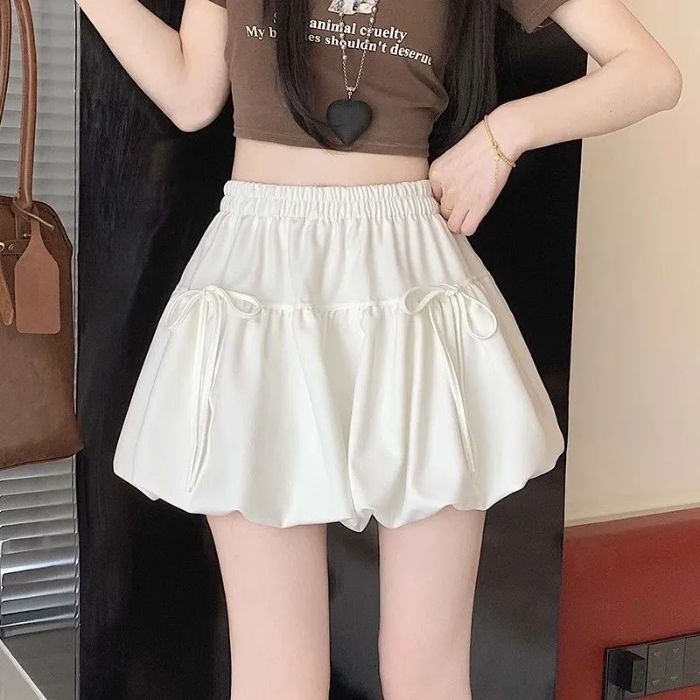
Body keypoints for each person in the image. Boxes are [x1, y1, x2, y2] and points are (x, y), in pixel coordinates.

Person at [77, 0, 682, 698]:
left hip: (410, 281)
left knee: (426, 672)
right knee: (277, 677)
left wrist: (502, 136)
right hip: (258, 281)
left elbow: (651, 73)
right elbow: (191, 95)